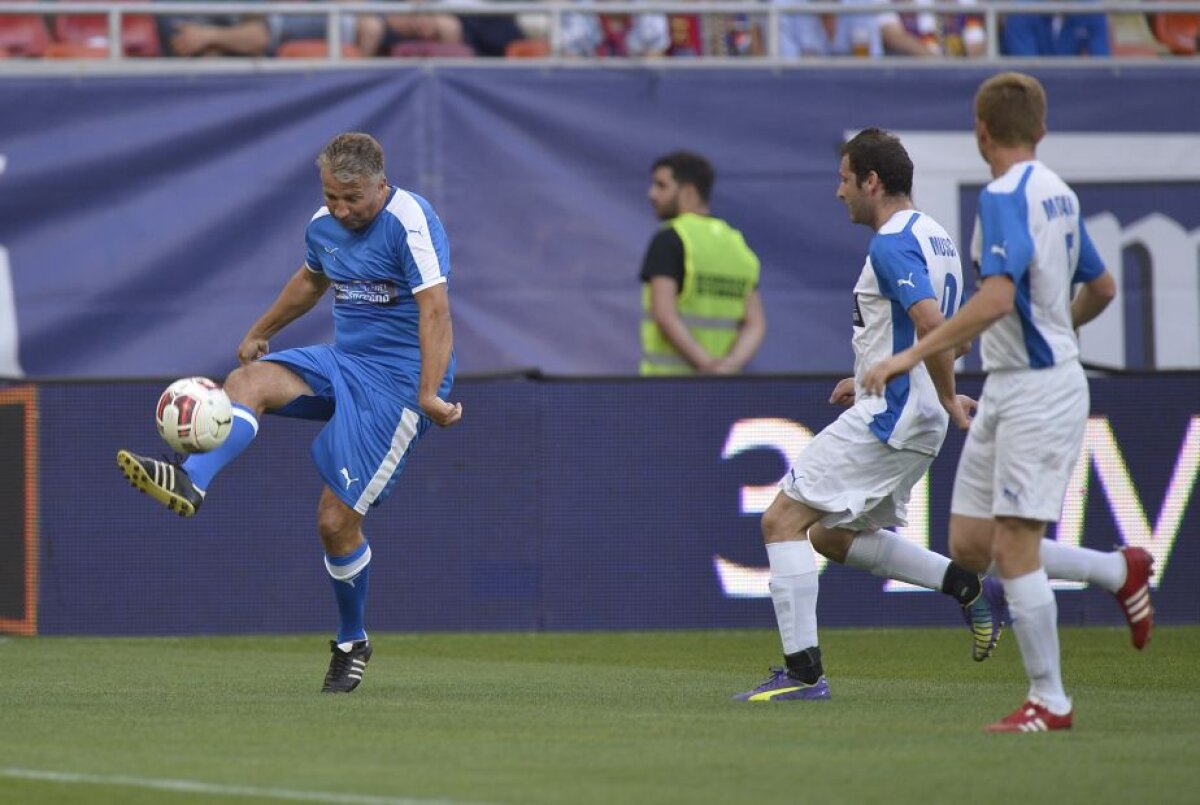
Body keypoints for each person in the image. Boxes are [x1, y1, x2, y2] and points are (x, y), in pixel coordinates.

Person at [116, 132, 462, 694]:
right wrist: (261, 331)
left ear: (381, 182)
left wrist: (428, 394)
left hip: (399, 385)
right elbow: (311, 278)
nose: (341, 209)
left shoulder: (410, 221)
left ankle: (353, 640)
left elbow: (436, 312)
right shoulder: (323, 224)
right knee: (247, 380)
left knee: (334, 522)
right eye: (331, 197)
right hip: (344, 362)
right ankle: (191, 480)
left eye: (353, 198)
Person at [861, 72, 1129, 731]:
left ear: (981, 131)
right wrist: (1057, 326)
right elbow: (1103, 287)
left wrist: (910, 354)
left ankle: (1050, 699)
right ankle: (1119, 568)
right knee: (971, 542)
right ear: (1041, 129)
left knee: (1012, 543)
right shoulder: (1059, 195)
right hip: (1019, 381)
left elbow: (997, 299)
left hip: (1035, 387)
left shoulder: (1004, 195)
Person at [733, 128, 1002, 702]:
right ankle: (964, 583)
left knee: (781, 521)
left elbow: (932, 327)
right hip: (910, 416)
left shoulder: (890, 243)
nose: (839, 192)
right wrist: (867, 377)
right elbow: (955, 335)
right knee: (831, 536)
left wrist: (949, 398)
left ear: (871, 182)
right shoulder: (936, 236)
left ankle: (804, 675)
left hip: (896, 417)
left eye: (845, 179)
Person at [639, 152, 766, 375]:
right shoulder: (736, 243)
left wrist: (706, 365)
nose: (652, 194)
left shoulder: (669, 238)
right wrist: (730, 366)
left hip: (665, 387)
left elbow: (664, 313)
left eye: (661, 185)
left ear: (688, 192)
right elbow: (755, 323)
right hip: (721, 389)